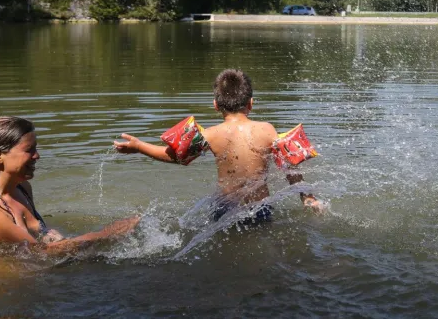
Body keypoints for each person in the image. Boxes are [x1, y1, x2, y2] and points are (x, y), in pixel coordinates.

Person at [114, 69, 323, 227]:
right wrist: (307, 197)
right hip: (260, 208)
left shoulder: (211, 134)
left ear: (215, 105)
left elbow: (176, 156)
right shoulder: (267, 130)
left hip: (225, 207)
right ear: (251, 103)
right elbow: (289, 164)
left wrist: (139, 146)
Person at [0, 116, 139, 252]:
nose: (37, 156)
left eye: (35, 148)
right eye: (29, 150)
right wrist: (108, 233)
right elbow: (43, 254)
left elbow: (38, 242)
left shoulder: (22, 187)